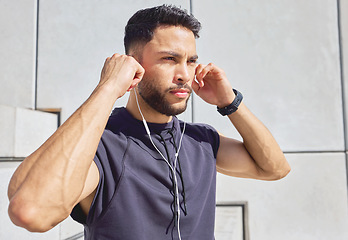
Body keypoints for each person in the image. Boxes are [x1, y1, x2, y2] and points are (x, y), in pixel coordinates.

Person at [7, 4, 290, 240]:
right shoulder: (102, 146)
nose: (184, 74)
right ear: (133, 64)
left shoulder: (200, 141)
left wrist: (230, 103)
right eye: (169, 59)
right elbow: (31, 212)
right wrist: (107, 89)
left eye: (191, 61)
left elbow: (275, 168)